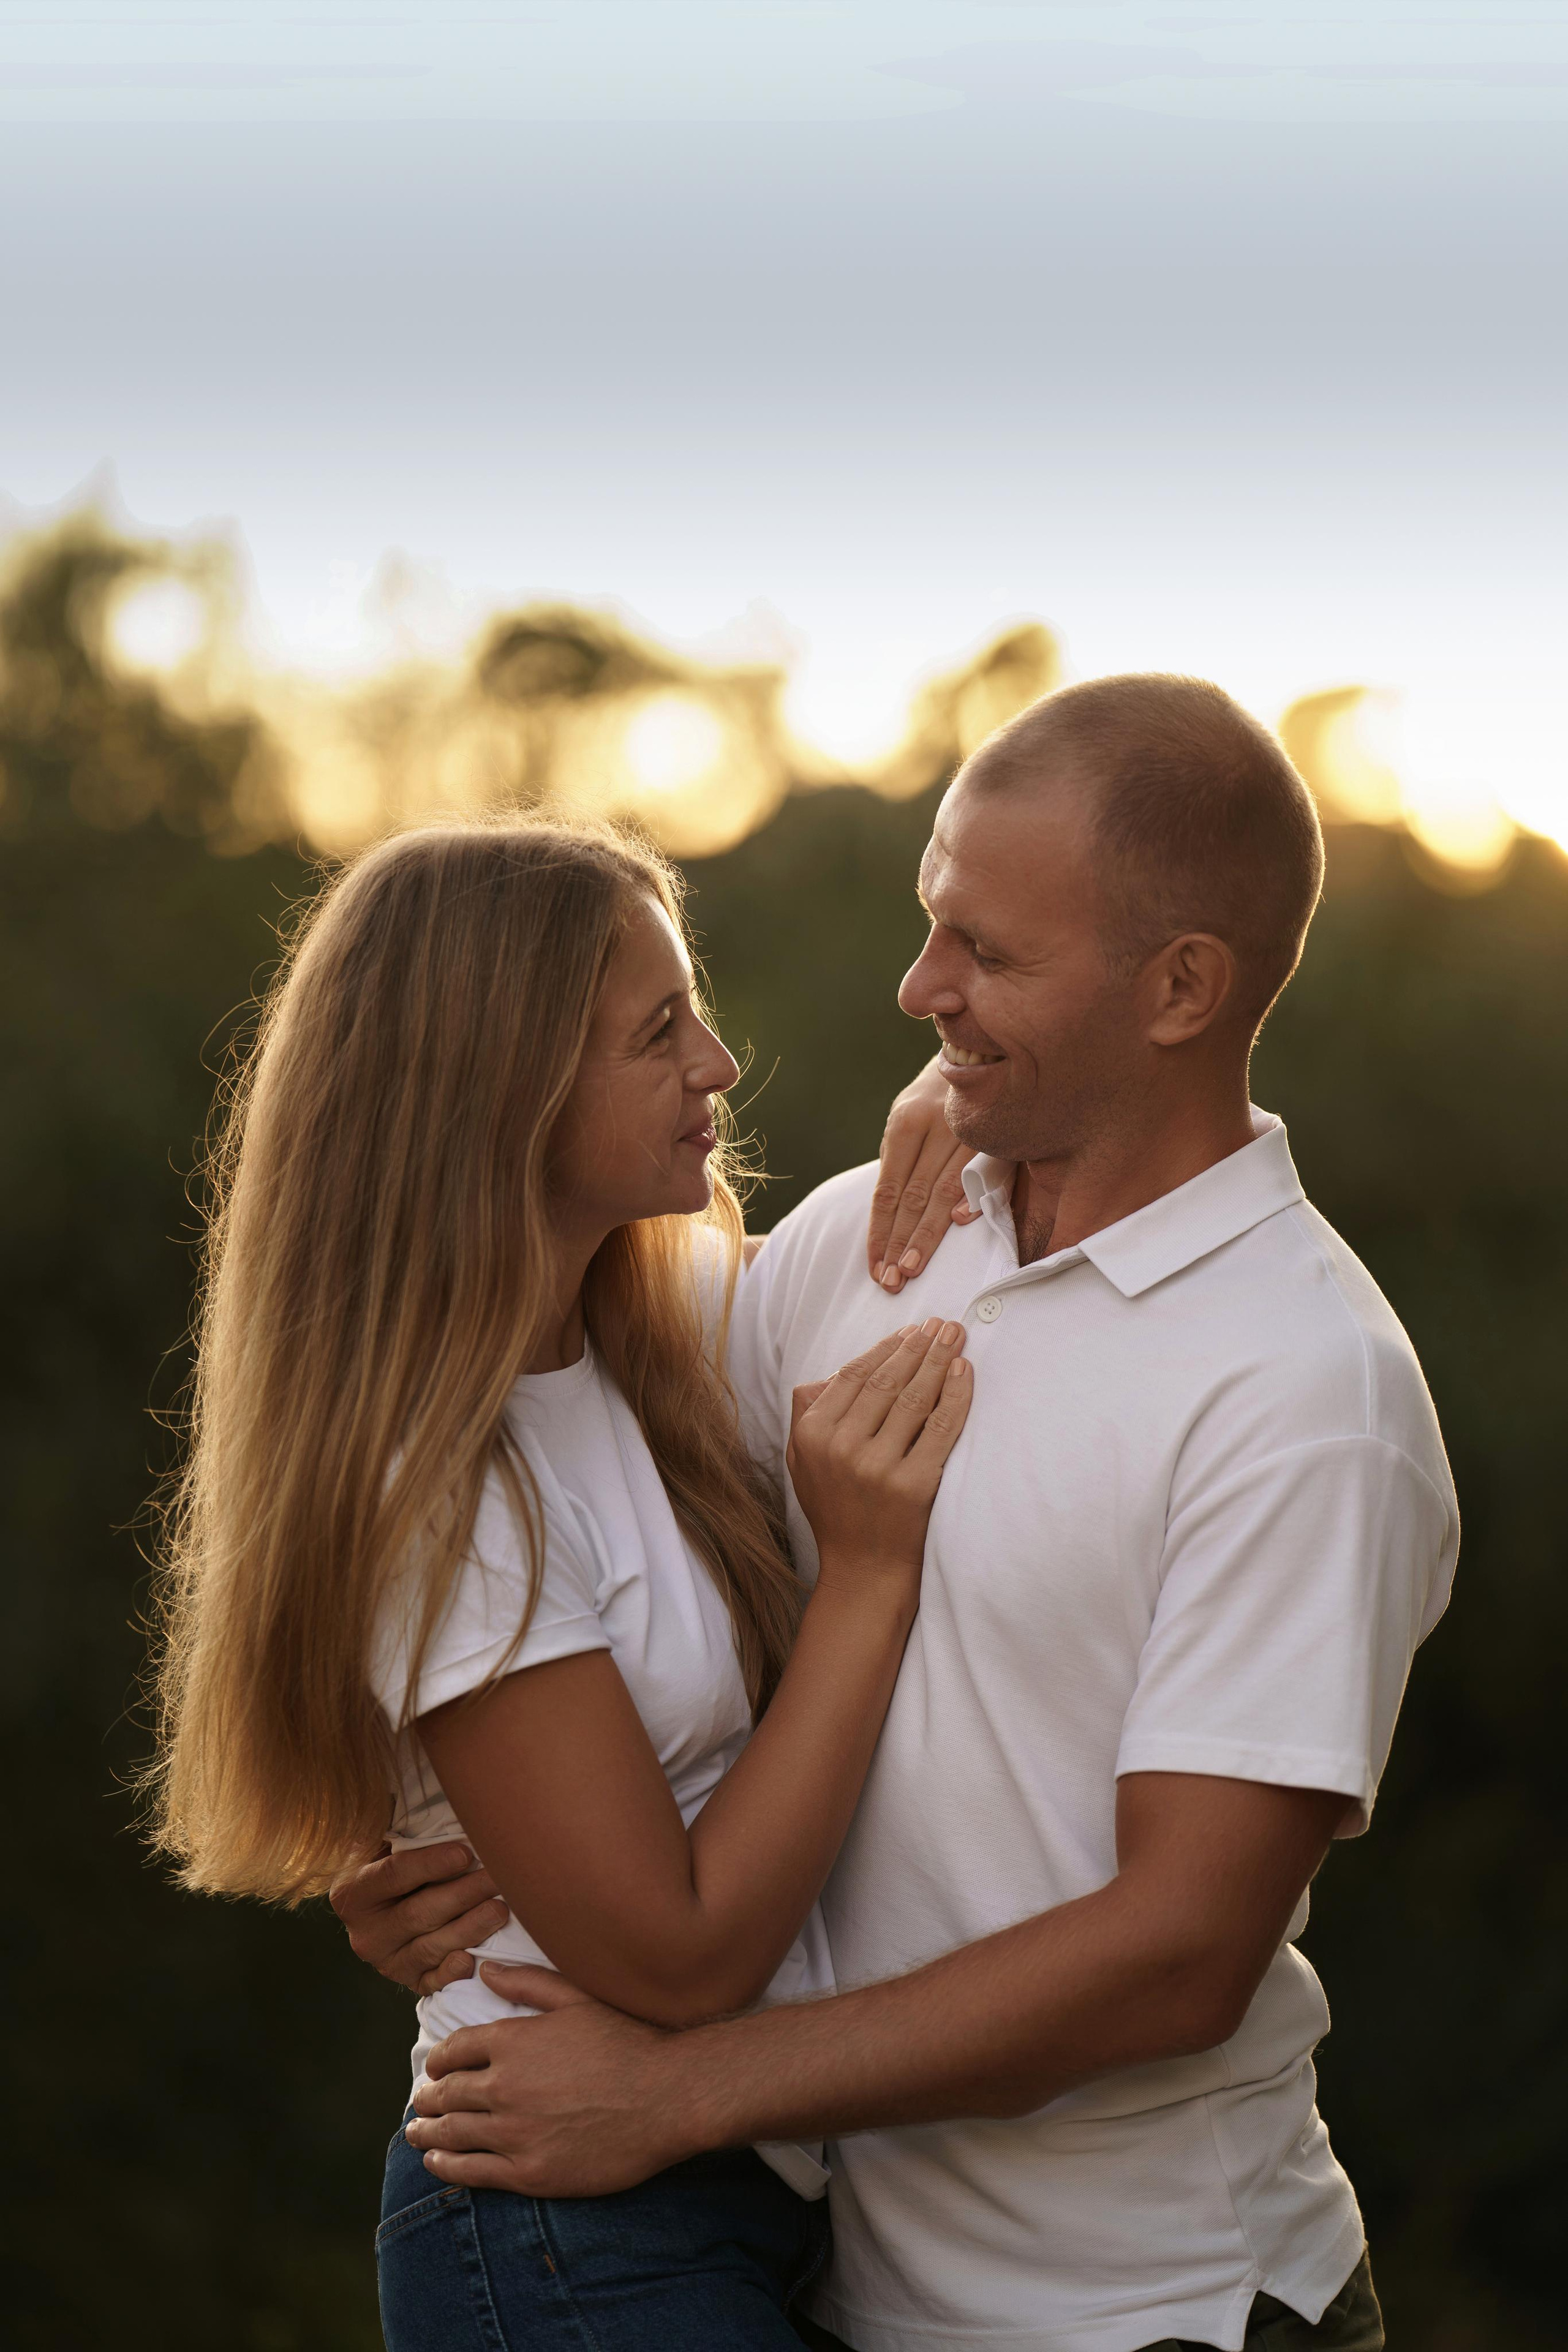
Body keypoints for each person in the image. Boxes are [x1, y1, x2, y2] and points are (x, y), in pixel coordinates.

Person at [338, 674, 1458, 2352]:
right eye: (936, 924)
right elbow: (565, 1547)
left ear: (1182, 989)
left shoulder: (1306, 1389)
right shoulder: (864, 1242)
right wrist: (422, 1834)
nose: (917, 988)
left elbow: (1178, 1955)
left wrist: (681, 2094)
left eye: (988, 956)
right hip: (843, 2290)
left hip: (1156, 2310)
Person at [146, 816, 982, 2350]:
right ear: (498, 1096)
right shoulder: (439, 1486)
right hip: (569, 2229)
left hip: (744, 2190)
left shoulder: (645, 1347)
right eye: (657, 1033)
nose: (719, 1065)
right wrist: (864, 1580)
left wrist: (959, 1087)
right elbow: (680, 1953)